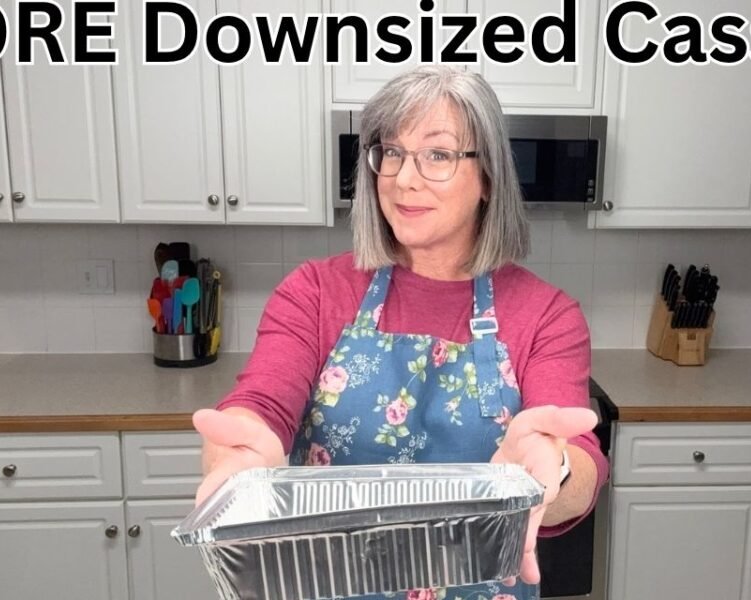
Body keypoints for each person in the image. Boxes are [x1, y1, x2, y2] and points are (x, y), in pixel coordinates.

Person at [193, 64, 609, 600]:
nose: (403, 178)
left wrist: (554, 470)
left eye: (438, 154)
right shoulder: (315, 292)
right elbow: (262, 404)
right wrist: (240, 457)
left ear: (488, 177)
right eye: (391, 152)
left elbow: (579, 463)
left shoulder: (546, 314)